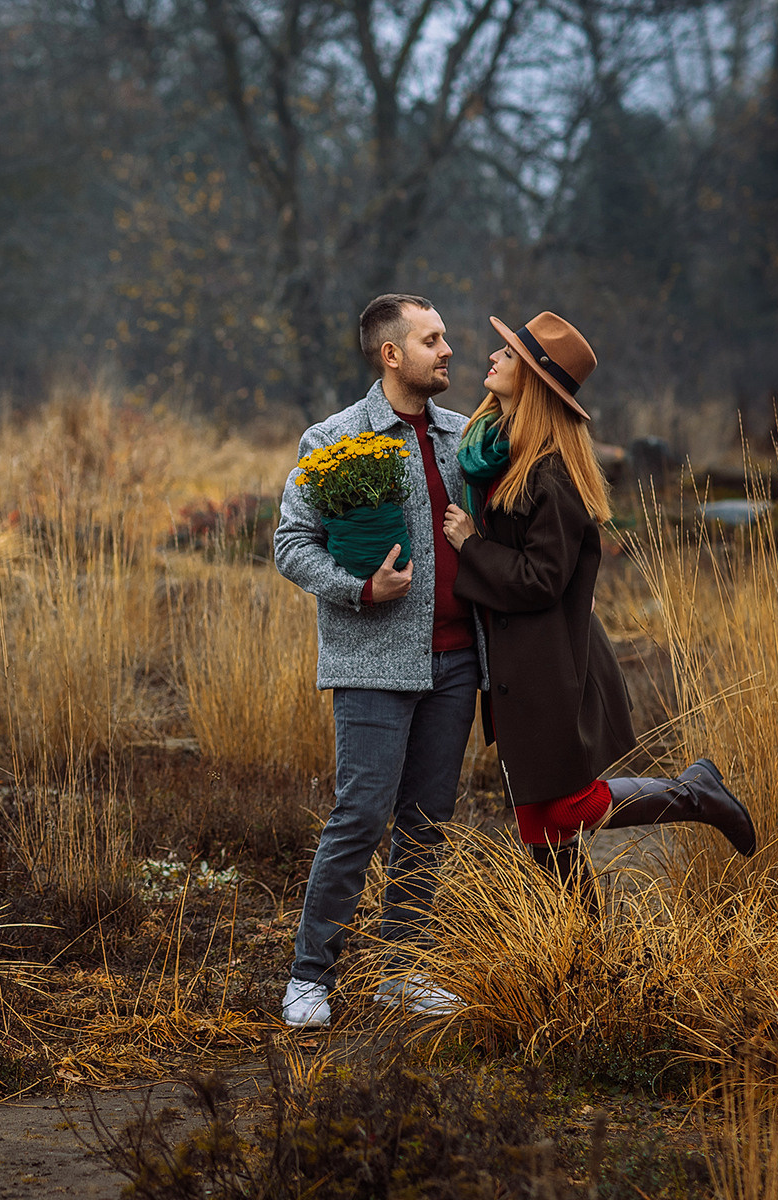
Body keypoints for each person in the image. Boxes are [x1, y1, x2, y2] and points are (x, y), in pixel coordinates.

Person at [442, 311, 757, 894]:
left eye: (507, 355)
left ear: (533, 381)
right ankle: (583, 960)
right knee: (542, 827)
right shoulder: (496, 454)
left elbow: (541, 579)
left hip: (553, 666)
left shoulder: (551, 475)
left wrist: (471, 545)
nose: (491, 358)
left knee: (561, 813)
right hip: (523, 665)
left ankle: (694, 792)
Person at [273, 294, 486, 1030]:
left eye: (447, 336)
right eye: (432, 339)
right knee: (360, 817)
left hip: (457, 664)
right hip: (373, 663)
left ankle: (402, 970)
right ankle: (309, 977)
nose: (448, 349)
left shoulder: (466, 439)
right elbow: (291, 543)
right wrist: (360, 589)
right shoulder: (333, 438)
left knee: (427, 822)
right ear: (391, 354)